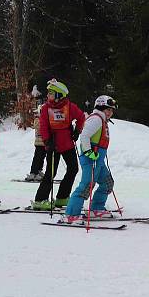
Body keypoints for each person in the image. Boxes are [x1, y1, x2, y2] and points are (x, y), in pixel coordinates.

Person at [62, 96, 117, 224]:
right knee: (87, 185)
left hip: (98, 159)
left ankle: (96, 208)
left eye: (111, 110)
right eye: (107, 109)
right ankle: (71, 214)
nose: (110, 112)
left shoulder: (102, 120)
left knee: (107, 183)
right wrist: (88, 152)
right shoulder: (96, 119)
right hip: (91, 158)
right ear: (100, 108)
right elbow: (85, 136)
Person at [31, 80, 85, 210]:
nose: (48, 95)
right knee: (51, 172)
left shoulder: (69, 106)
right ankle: (40, 199)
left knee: (73, 169)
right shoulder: (46, 108)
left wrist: (77, 130)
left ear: (59, 95)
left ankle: (62, 197)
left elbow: (81, 117)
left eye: (51, 93)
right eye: (48, 93)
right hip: (53, 144)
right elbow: (43, 126)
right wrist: (46, 140)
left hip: (67, 143)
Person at [24, 98, 46, 181]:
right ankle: (33, 172)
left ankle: (39, 171)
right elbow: (37, 126)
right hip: (39, 143)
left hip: (45, 143)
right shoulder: (38, 119)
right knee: (37, 157)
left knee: (42, 158)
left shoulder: (45, 120)